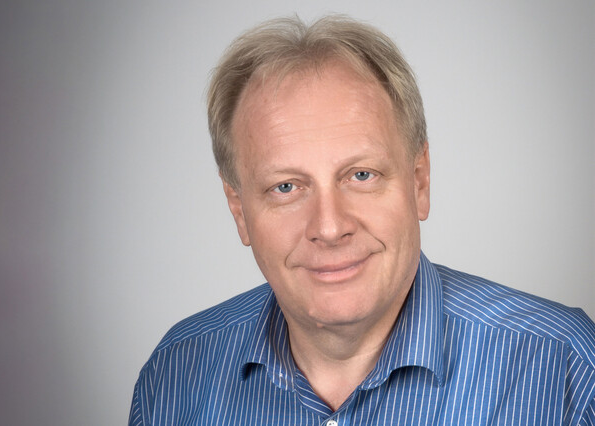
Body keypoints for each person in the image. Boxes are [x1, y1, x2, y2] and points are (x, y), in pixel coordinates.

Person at [128, 15, 595, 425]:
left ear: (419, 182)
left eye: (361, 175)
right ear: (239, 210)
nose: (330, 228)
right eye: (286, 187)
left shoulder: (566, 369)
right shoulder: (176, 375)